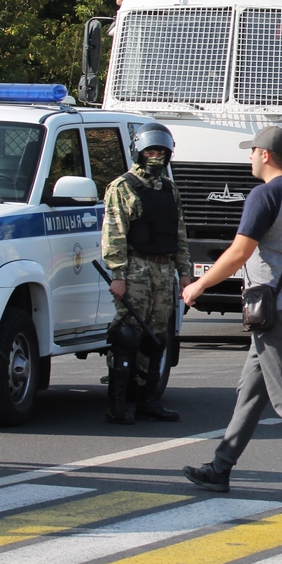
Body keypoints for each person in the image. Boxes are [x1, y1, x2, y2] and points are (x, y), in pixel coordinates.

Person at [181, 126, 282, 502]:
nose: (249, 158)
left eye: (252, 152)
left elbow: (239, 253)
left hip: (275, 309)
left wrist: (199, 286)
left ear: (265, 155)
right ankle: (220, 469)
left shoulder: (263, 195)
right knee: (251, 392)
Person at [101, 122, 190, 424]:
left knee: (157, 337)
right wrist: (118, 274)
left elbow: (178, 233)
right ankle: (118, 402)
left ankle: (147, 399)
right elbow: (114, 233)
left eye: (161, 152)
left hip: (163, 270)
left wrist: (185, 274)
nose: (156, 157)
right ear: (139, 152)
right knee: (129, 334)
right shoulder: (122, 187)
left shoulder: (169, 189)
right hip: (135, 267)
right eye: (151, 151)